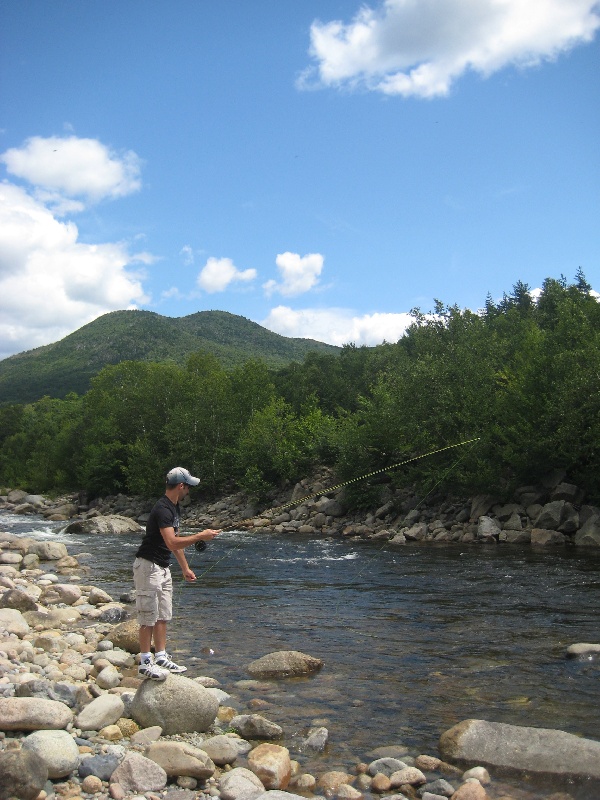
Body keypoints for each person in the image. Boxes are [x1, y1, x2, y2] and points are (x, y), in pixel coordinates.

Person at [133, 466, 220, 679]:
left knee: (163, 615)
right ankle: (145, 662)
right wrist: (200, 536)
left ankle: (161, 657)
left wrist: (185, 568)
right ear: (181, 486)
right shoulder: (162, 509)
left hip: (162, 567)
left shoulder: (175, 508)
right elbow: (171, 541)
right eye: (188, 486)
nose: (189, 490)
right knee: (148, 617)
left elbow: (175, 544)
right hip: (148, 566)